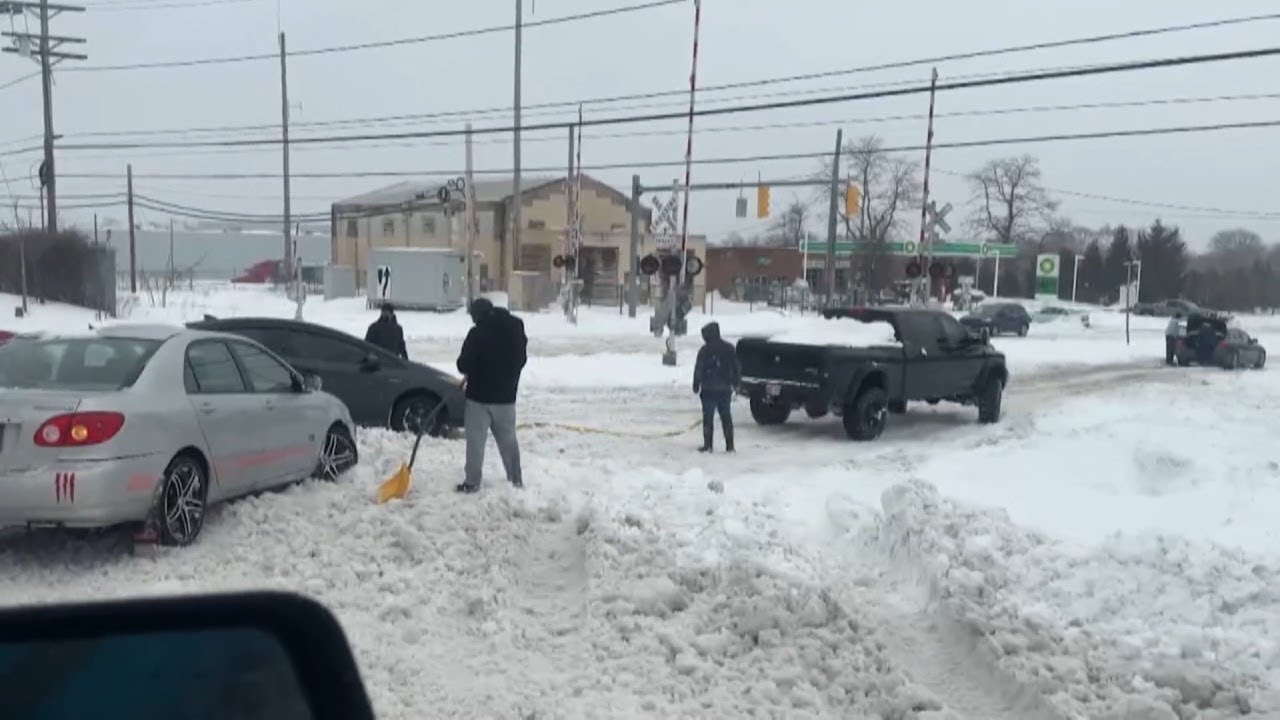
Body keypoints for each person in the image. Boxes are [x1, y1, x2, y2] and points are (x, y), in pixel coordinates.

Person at [455, 297, 527, 493]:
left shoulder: (477, 333)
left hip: (479, 398)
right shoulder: (516, 326)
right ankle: (516, 480)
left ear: (478, 314)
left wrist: (477, 369)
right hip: (506, 397)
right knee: (509, 442)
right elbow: (521, 358)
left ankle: (472, 482)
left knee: (476, 443)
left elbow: (463, 364)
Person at [692, 321, 740, 453]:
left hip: (708, 390)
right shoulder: (729, 348)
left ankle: (708, 445)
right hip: (725, 389)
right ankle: (730, 446)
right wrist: (736, 383)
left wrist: (696, 384)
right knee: (726, 418)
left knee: (708, 418)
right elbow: (736, 367)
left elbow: (699, 369)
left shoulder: (704, 350)